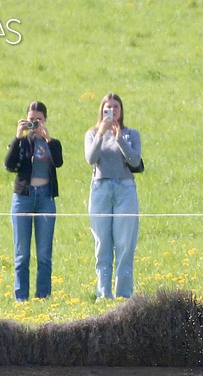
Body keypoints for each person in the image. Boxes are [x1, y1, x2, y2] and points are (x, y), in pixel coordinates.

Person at [84, 93, 142, 299]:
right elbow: (91, 158)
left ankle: (124, 294)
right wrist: (101, 134)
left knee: (125, 244)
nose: (112, 111)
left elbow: (135, 161)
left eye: (116, 107)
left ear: (121, 110)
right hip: (101, 189)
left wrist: (119, 140)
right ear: (101, 110)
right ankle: (103, 294)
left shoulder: (131, 134)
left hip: (125, 189)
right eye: (108, 108)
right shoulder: (92, 133)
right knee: (102, 243)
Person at [4, 101, 63, 302]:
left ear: (45, 120)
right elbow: (9, 164)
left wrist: (48, 139)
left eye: (39, 120)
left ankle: (43, 297)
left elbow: (59, 162)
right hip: (23, 198)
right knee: (22, 254)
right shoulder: (22, 142)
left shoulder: (52, 143)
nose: (35, 124)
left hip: (45, 197)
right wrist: (17, 136)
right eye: (31, 120)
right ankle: (21, 298)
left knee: (44, 254)